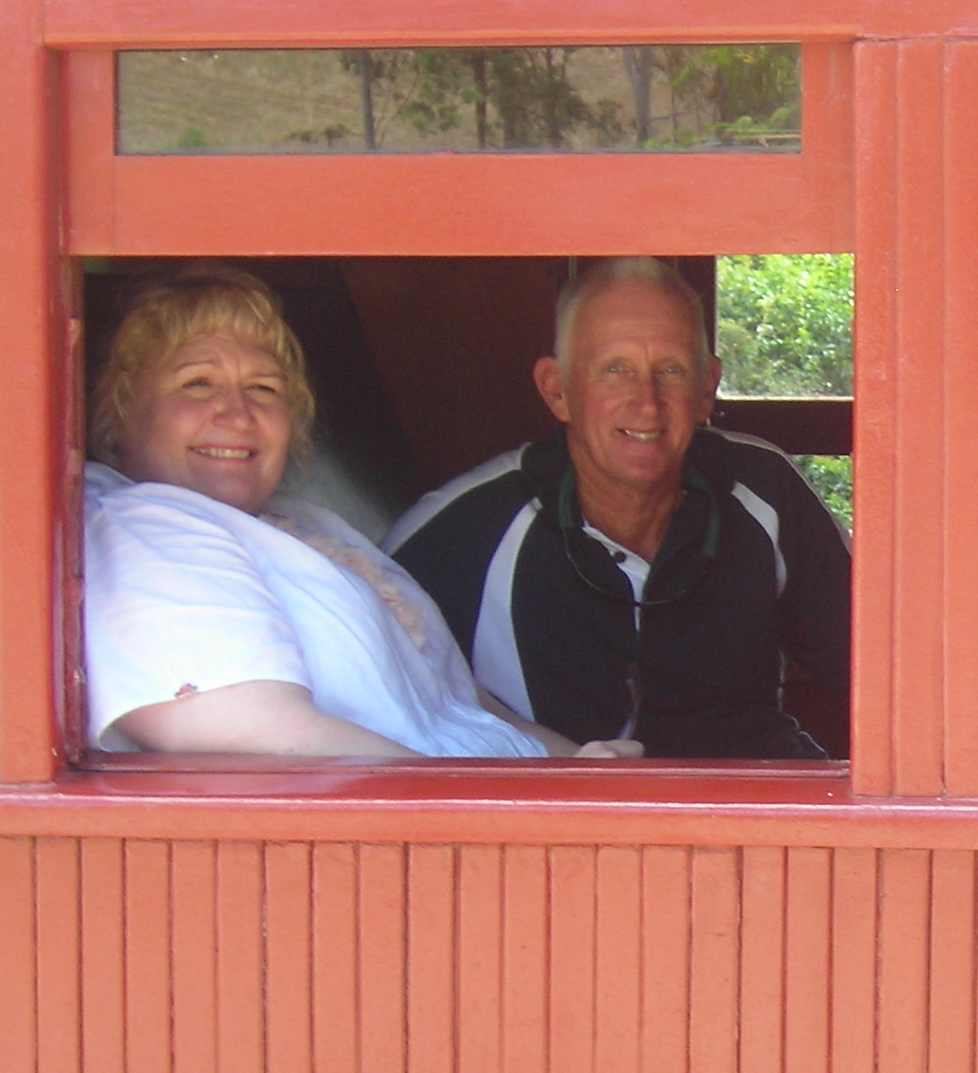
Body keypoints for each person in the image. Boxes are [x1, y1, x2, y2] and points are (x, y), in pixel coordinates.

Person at [83, 266, 636, 758]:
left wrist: (581, 772)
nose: (237, 412)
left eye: (263, 387)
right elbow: (263, 739)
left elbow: (469, 709)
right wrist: (505, 807)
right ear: (121, 414)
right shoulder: (144, 532)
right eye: (197, 383)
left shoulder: (305, 526)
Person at [387, 257, 852, 758]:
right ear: (558, 390)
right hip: (565, 824)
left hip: (755, 811)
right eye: (615, 370)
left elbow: (883, 668)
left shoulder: (764, 489)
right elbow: (373, 703)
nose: (647, 403)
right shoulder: (463, 531)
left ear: (706, 388)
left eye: (670, 371)